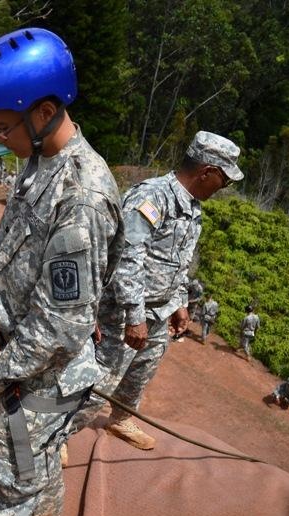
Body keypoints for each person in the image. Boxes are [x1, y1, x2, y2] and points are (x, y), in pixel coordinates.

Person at [0, 28, 125, 516]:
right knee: (36, 459)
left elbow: (62, 323)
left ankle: (25, 514)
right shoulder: (39, 159)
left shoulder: (81, 196)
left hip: (42, 376)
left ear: (44, 112)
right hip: (32, 362)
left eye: (2, 126)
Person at [71, 130, 245, 452]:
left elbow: (178, 263)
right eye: (225, 179)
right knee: (101, 378)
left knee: (141, 372)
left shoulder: (192, 209)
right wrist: (134, 317)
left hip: (158, 312)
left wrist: (179, 303)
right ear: (207, 172)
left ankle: (121, 418)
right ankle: (60, 435)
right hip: (123, 312)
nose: (225, 188)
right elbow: (126, 259)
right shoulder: (152, 197)